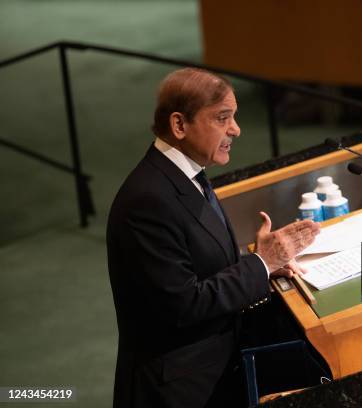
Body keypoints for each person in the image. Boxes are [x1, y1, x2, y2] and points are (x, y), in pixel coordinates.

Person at [106, 68, 320, 408]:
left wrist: (267, 267)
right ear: (179, 125)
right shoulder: (147, 201)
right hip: (181, 390)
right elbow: (183, 303)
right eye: (222, 118)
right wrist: (260, 264)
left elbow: (201, 262)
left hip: (218, 370)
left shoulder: (187, 173)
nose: (235, 129)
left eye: (233, 117)